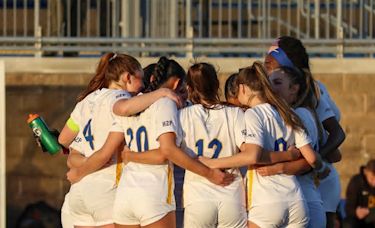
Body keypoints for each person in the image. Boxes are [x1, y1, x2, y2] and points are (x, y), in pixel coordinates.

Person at [58, 53, 182, 228]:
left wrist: (84, 165)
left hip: (79, 194)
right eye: (141, 80)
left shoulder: (86, 101)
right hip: (106, 190)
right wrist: (161, 92)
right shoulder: (121, 97)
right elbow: (123, 109)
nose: (143, 87)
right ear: (127, 77)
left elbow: (63, 139)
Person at [200, 62, 327, 228]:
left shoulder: (254, 114)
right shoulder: (288, 112)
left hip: (267, 202)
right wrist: (321, 168)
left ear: (244, 88)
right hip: (296, 201)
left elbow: (252, 156)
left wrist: (212, 163)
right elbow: (311, 157)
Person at [265, 36, 345, 228]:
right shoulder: (277, 91)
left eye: (269, 63)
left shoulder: (311, 90)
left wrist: (313, 162)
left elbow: (337, 134)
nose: (264, 68)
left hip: (320, 183)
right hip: (298, 185)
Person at [176, 62, 247, 227]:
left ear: (189, 88)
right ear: (217, 85)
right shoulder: (235, 113)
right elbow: (247, 153)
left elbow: (174, 153)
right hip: (232, 194)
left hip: (198, 197)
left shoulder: (181, 116)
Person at [260, 66, 330, 227]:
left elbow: (307, 162)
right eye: (269, 82)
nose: (271, 87)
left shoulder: (300, 114)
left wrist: (277, 168)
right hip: (297, 200)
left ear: (294, 89)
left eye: (277, 82)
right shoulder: (287, 114)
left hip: (305, 199)